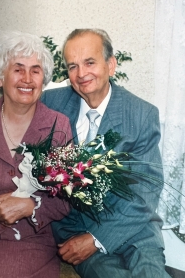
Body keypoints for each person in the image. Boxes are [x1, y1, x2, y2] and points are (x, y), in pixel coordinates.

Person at [41, 28, 171, 278]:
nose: (81, 74)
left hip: (135, 227)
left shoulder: (141, 114)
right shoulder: (51, 103)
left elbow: (144, 194)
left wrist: (96, 239)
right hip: (76, 228)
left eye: (90, 62)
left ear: (111, 65)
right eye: (72, 66)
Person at [0, 31, 72, 278]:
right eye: (18, 69)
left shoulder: (58, 126)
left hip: (30, 241)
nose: (27, 78)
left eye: (35, 70)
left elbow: (66, 199)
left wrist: (31, 205)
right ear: (0, 77)